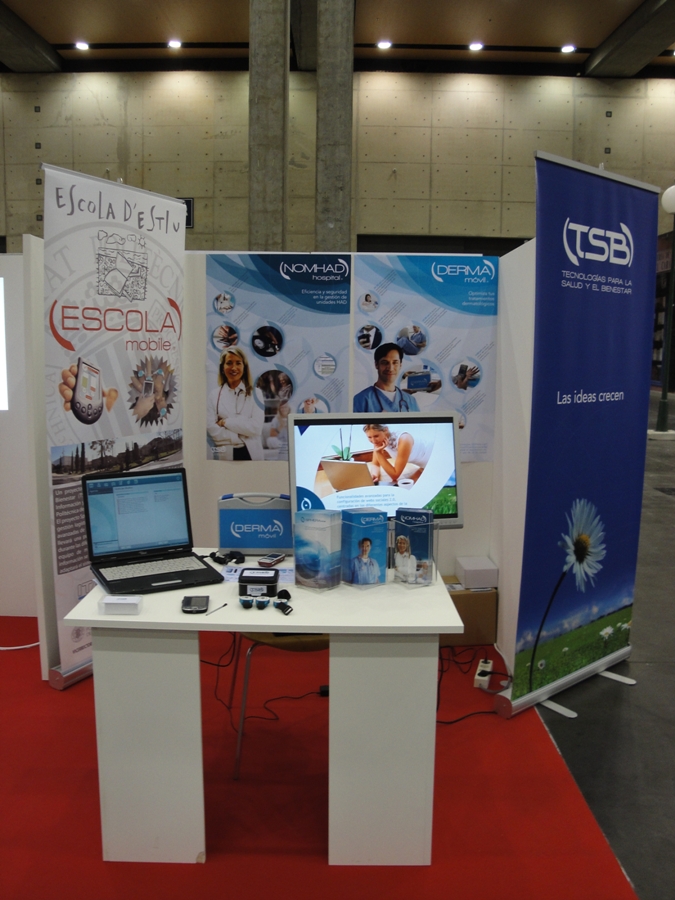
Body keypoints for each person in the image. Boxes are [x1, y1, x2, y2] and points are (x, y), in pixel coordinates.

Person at [207, 348, 264, 460]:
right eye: (229, 363)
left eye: (238, 363)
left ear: (244, 367)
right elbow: (211, 429)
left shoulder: (256, 393)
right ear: (222, 368)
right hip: (226, 455)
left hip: (252, 454)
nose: (234, 368)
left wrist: (225, 422)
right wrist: (240, 435)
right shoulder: (214, 395)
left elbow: (256, 428)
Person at [353, 343, 419, 413]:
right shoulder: (361, 400)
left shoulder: (411, 401)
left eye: (395, 363)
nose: (390, 368)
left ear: (400, 365)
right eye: (384, 362)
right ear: (376, 365)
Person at [363, 422, 431, 484]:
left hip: (432, 459)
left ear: (386, 430)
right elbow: (375, 464)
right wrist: (374, 475)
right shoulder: (379, 440)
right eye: (369, 437)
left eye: (376, 436)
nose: (373, 440)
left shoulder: (404, 439)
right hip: (423, 466)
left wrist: (379, 453)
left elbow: (395, 475)